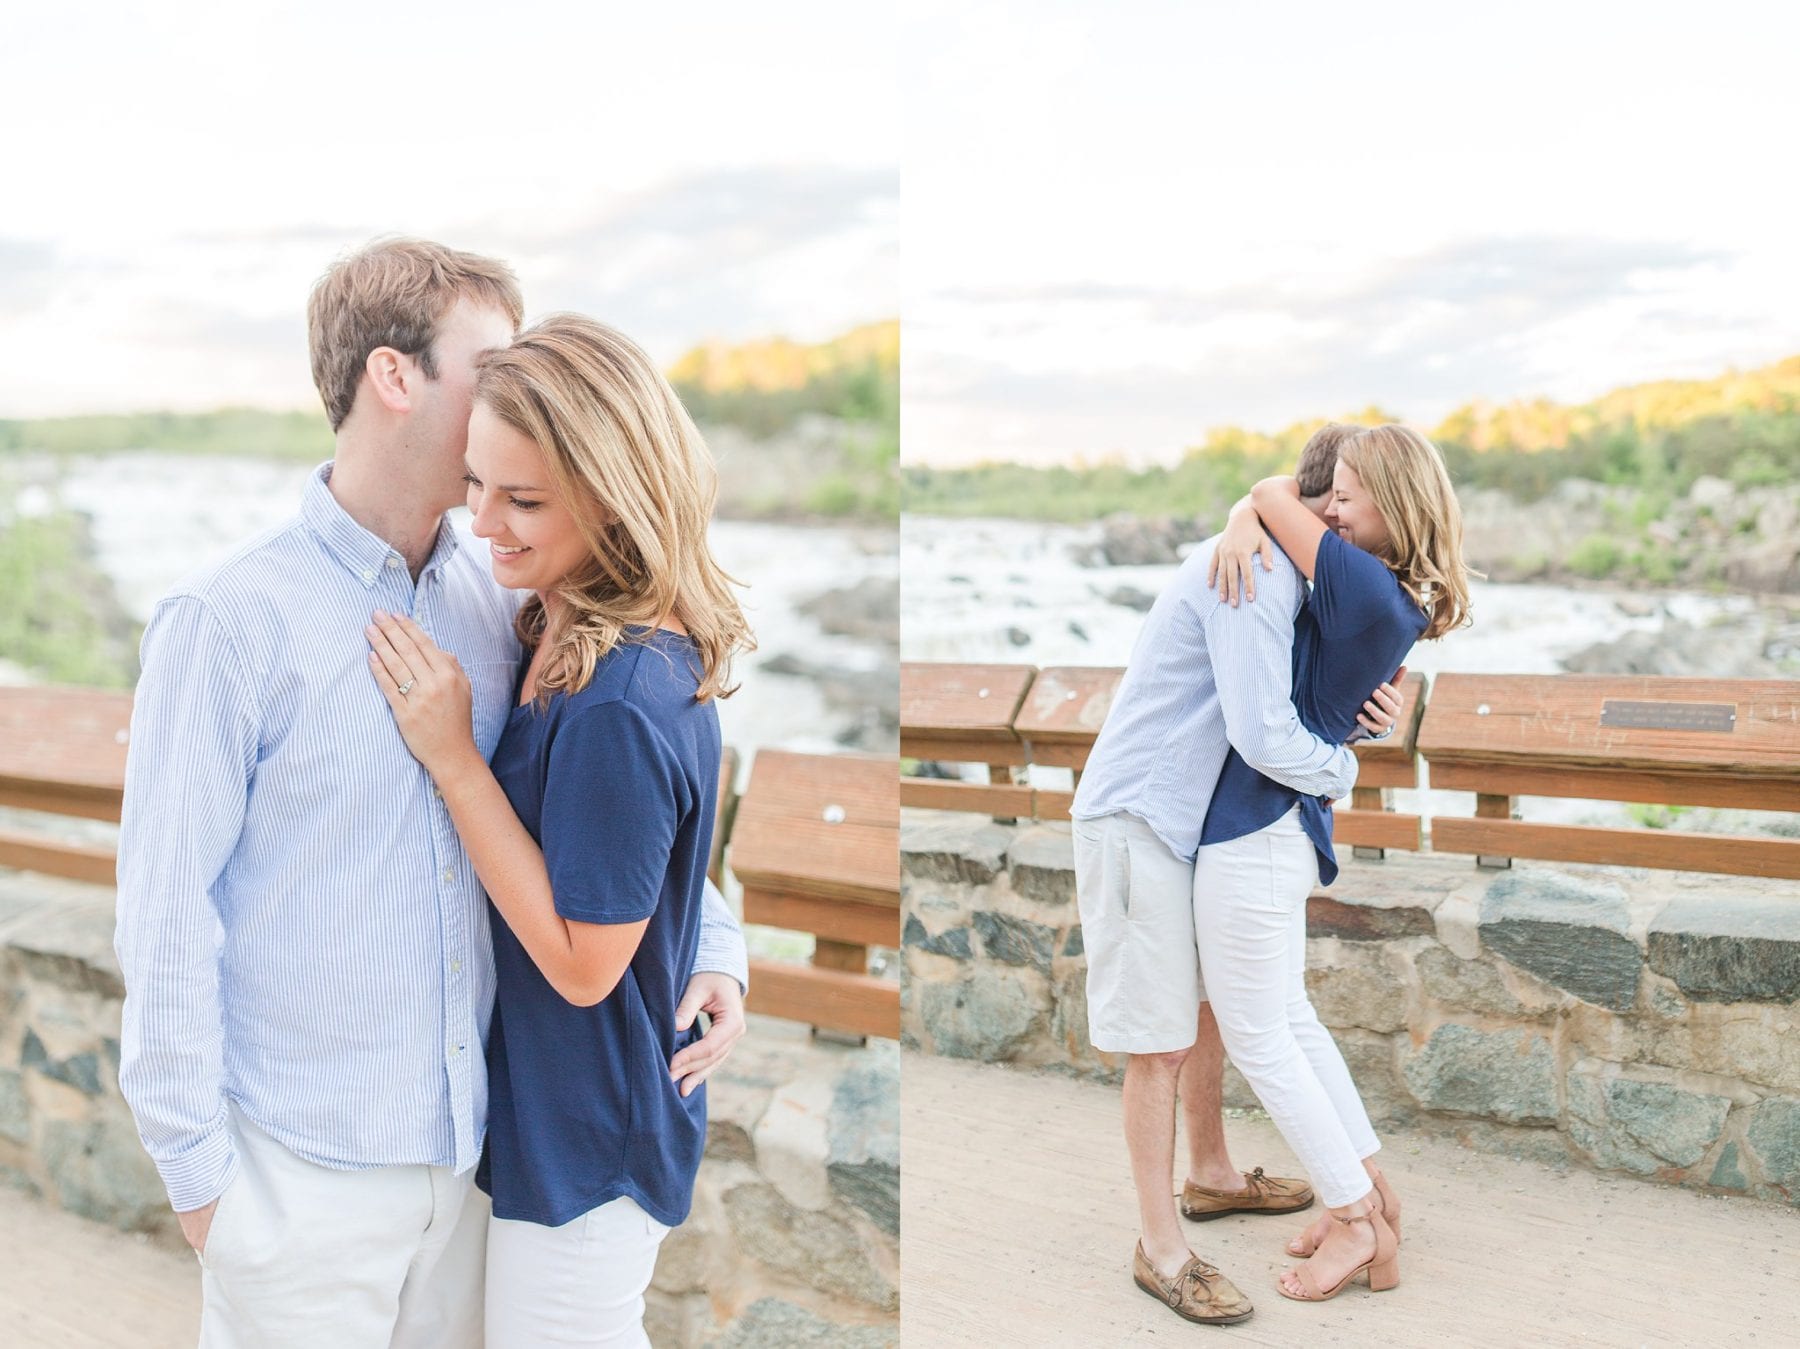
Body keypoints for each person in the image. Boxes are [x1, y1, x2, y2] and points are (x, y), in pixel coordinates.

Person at [114, 240, 748, 1349]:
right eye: (492, 359)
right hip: (297, 1183)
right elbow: (166, 912)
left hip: (474, 1170)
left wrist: (715, 945)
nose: (519, 384)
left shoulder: (507, 592)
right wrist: (206, 1191)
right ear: (394, 378)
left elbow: (609, 804)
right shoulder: (228, 619)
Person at [365, 312, 753, 1346]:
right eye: (475, 483)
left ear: (614, 493)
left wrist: (451, 756)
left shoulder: (620, 695)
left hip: (590, 1133)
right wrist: (720, 950)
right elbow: (651, 859)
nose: (484, 521)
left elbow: (586, 962)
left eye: (523, 498)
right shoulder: (554, 619)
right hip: (544, 1108)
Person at [1068, 423, 1403, 1327]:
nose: (1342, 524)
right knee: (1158, 1044)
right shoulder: (1255, 573)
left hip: (1188, 819)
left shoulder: (1285, 568)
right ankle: (1160, 1249)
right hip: (1140, 814)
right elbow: (1261, 735)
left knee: (1214, 1009)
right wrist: (1344, 769)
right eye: (1332, 505)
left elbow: (1292, 701)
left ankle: (1212, 1175)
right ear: (1315, 511)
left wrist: (1362, 712)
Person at [1196, 422, 1472, 1303]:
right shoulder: (1393, 594)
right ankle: (1374, 1195)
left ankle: (1355, 1221)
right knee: (1289, 1019)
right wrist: (1255, 515)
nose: (1332, 509)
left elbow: (1277, 494)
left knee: (1261, 1035)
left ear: (1397, 504)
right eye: (1335, 494)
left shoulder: (1353, 576)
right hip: (1285, 827)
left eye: (1349, 496)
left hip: (1254, 823)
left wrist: (1248, 513)